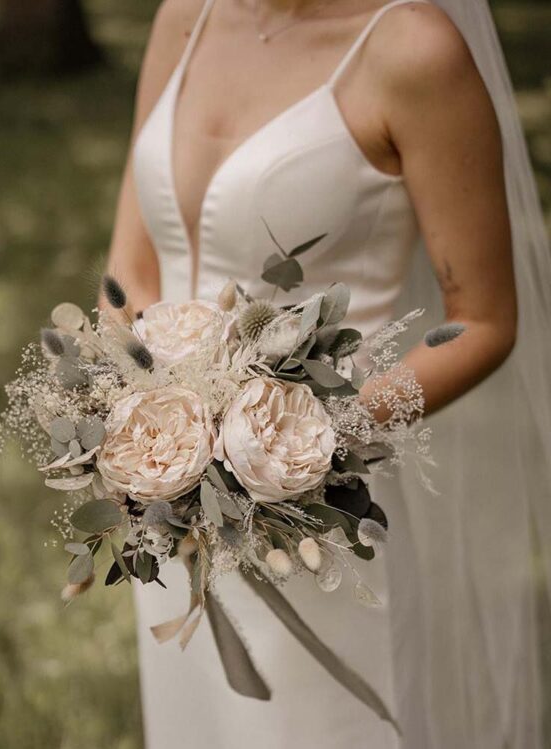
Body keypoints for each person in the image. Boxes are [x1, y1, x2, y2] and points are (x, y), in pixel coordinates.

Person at [102, 1, 550, 746]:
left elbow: (483, 319)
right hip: (173, 514)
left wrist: (310, 445)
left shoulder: (412, 50)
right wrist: (141, 433)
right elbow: (132, 271)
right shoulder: (186, 16)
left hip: (326, 516)